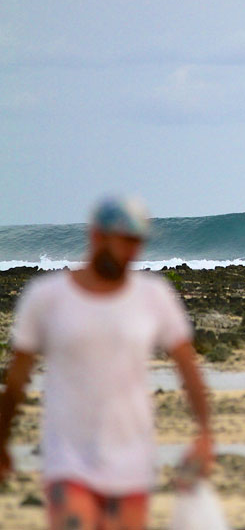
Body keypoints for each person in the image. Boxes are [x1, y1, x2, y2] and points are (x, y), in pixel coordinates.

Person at [0, 196, 213, 530]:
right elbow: (16, 380)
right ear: (97, 237)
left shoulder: (153, 296)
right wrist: (2, 441)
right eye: (125, 241)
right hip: (67, 459)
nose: (132, 252)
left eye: (137, 242)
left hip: (131, 459)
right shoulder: (47, 297)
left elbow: (188, 368)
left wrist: (205, 434)